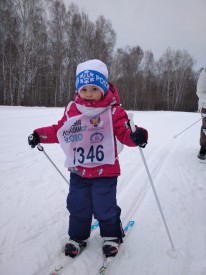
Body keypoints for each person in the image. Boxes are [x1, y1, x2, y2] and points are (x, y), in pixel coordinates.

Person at [28, 59, 148, 258]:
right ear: (78, 90)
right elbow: (60, 131)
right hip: (79, 170)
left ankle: (111, 236)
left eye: (94, 88)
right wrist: (39, 135)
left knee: (104, 205)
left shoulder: (114, 111)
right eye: (84, 89)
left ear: (103, 87)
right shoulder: (73, 110)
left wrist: (138, 136)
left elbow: (125, 132)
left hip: (105, 169)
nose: (89, 93)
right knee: (77, 204)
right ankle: (77, 237)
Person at [196, 68, 206, 160]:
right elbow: (200, 91)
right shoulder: (205, 72)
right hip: (205, 106)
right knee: (205, 127)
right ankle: (204, 147)